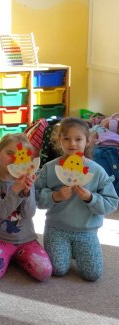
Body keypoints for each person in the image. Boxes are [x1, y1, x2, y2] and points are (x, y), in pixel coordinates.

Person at [35, 117, 118, 281]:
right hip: (57, 228)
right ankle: (68, 249)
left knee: (93, 274)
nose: (72, 143)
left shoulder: (97, 171)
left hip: (86, 231)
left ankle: (75, 249)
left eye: (78, 139)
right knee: (58, 269)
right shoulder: (49, 168)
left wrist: (90, 198)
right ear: (59, 140)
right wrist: (55, 196)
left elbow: (112, 203)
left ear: (88, 141)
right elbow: (35, 197)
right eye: (67, 138)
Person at [0, 133, 52, 282]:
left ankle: (15, 256)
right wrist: (15, 190)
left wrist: (26, 191)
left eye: (21, 156)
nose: (14, 159)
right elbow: (1, 212)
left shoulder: (27, 176)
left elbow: (29, 213)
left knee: (44, 272)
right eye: (9, 153)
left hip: (26, 239)